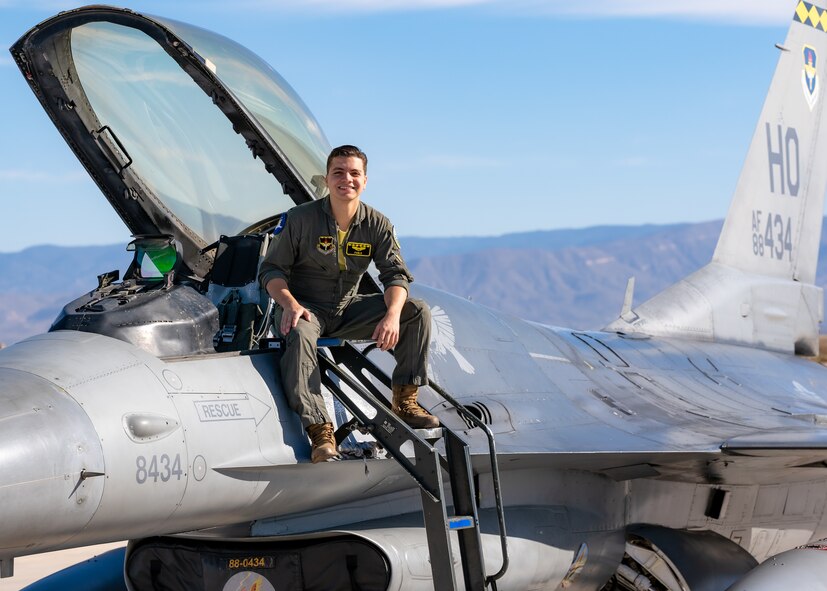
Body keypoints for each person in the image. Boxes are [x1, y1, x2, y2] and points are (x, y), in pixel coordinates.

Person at [259, 145, 437, 463]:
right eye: (338, 172)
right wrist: (288, 304)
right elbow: (271, 270)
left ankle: (406, 401)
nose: (347, 179)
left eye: (354, 173)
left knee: (417, 312)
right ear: (327, 179)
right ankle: (320, 432)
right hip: (304, 310)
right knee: (300, 333)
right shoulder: (300, 220)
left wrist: (393, 315)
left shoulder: (377, 225)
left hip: (346, 308)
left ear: (365, 181)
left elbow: (396, 276)